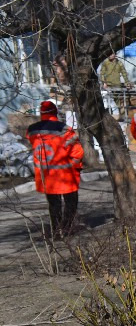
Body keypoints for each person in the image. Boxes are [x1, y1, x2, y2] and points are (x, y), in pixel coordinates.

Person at [26, 100, 83, 238]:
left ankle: (56, 232)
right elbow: (77, 152)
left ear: (41, 113)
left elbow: (34, 143)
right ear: (55, 112)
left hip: (46, 176)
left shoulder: (32, 130)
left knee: (54, 205)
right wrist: (77, 167)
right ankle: (67, 229)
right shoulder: (65, 130)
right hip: (65, 175)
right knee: (71, 202)